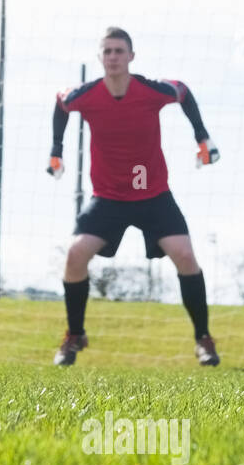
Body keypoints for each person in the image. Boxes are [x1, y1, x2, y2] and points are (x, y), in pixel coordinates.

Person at [49, 27, 221, 366]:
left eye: (119, 51)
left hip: (151, 193)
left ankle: (203, 339)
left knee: (185, 255)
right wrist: (57, 150)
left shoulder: (149, 90)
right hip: (108, 196)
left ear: (131, 56)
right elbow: (61, 101)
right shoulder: (86, 95)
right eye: (107, 51)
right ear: (100, 58)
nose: (113, 57)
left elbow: (183, 91)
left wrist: (202, 138)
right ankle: (74, 336)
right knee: (74, 255)